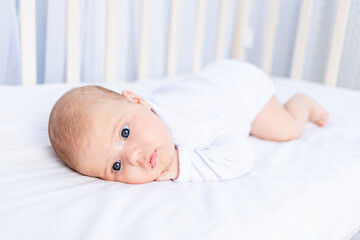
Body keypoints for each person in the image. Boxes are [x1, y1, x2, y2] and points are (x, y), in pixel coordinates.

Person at [48, 60, 329, 184]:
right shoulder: (147, 115)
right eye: (116, 166)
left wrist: (183, 164)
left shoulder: (188, 123)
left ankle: (301, 103)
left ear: (138, 100)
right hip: (217, 77)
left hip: (243, 90)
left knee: (285, 129)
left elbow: (241, 155)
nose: (133, 156)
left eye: (124, 132)